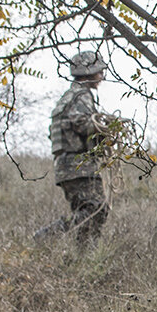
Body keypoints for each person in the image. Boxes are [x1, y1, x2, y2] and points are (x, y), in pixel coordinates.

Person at [45, 49, 112, 244]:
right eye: (99, 72)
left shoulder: (69, 96)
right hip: (79, 166)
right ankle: (50, 235)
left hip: (67, 166)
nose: (101, 77)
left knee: (87, 211)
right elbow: (81, 122)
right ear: (89, 73)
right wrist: (105, 129)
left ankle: (83, 256)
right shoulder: (81, 95)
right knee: (97, 209)